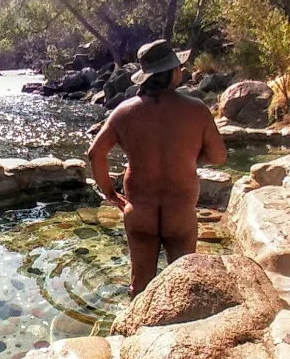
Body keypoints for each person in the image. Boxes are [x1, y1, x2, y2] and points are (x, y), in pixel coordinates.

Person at [87, 39, 228, 297]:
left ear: (145, 77)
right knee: (184, 287)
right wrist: (187, 157)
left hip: (140, 212)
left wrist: (109, 193)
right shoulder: (197, 111)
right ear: (174, 72)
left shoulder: (123, 112)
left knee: (139, 287)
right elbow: (219, 156)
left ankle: (134, 333)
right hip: (180, 214)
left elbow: (95, 155)